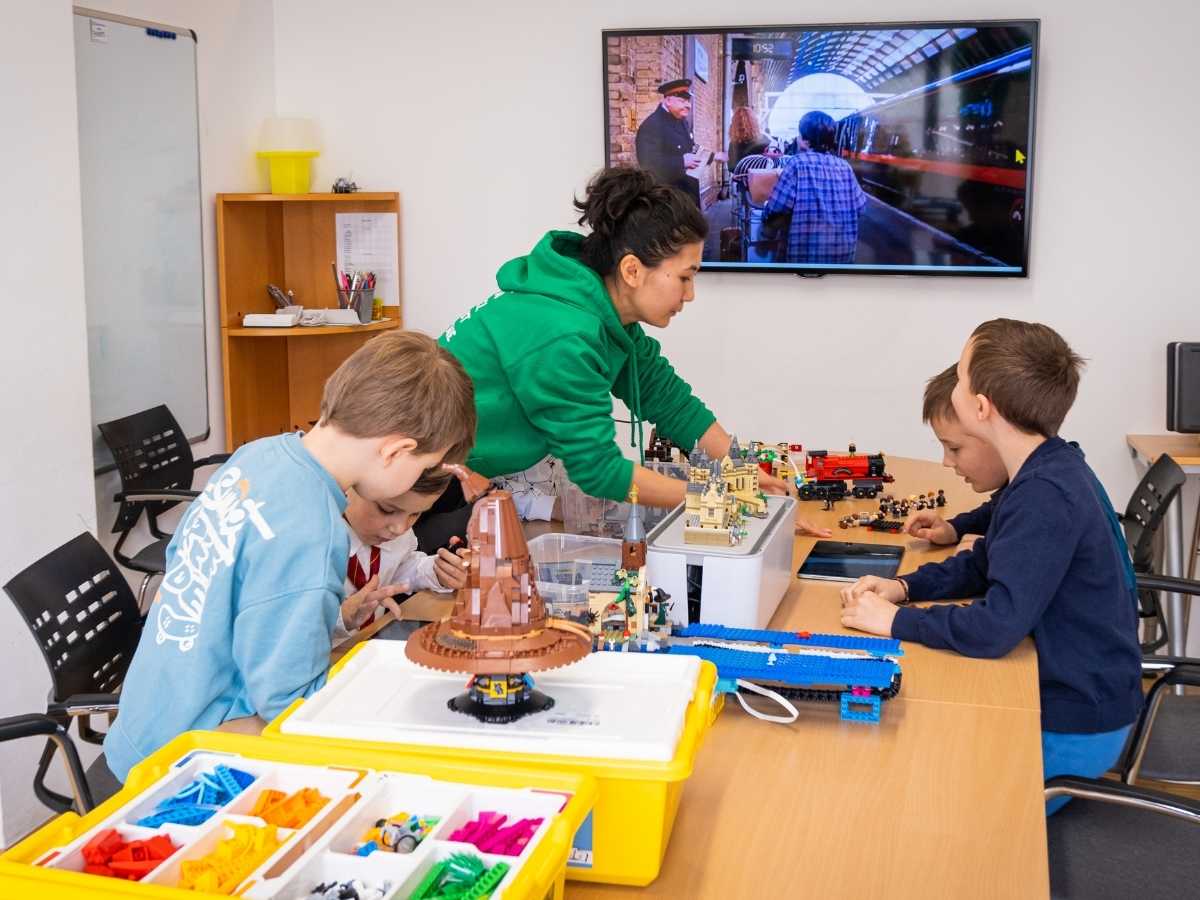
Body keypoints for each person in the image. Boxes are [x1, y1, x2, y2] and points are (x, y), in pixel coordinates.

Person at [102, 331, 476, 781]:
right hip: (186, 762)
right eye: (421, 467)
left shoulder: (256, 457)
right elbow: (289, 702)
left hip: (145, 724)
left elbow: (186, 556)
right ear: (396, 451)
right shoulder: (312, 532)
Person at [426, 167, 827, 550]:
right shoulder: (566, 332)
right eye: (685, 277)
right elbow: (599, 471)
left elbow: (669, 400)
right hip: (432, 485)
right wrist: (714, 498)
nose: (690, 295)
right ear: (633, 270)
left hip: (480, 473)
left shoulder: (602, 312)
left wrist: (745, 475)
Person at [839, 319, 1143, 814]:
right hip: (1078, 701)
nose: (954, 386)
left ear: (979, 406)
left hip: (1073, 727)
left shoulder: (1044, 494)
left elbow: (997, 627)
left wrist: (896, 622)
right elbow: (986, 563)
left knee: (932, 808)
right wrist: (903, 587)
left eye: (959, 377)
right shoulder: (1045, 471)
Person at [336, 466, 475, 643]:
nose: (399, 528)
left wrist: (438, 571)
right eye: (386, 510)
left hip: (372, 650)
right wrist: (342, 617)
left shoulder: (397, 537)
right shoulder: (310, 545)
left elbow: (401, 568)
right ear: (346, 485)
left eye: (415, 514)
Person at [902, 363, 1008, 552]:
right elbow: (995, 512)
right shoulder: (1023, 485)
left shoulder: (1043, 499)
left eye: (954, 448)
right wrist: (955, 529)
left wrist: (980, 556)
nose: (946, 462)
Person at [762, 110, 867, 264]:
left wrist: (766, 233)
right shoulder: (845, 167)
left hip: (806, 258)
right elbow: (861, 207)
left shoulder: (797, 164)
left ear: (805, 140)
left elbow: (776, 209)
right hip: (843, 258)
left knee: (773, 238)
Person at [635, 79, 725, 208]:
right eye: (682, 101)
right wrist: (681, 162)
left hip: (687, 193)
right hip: (667, 199)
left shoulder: (681, 121)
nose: (688, 105)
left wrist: (713, 156)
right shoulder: (652, 125)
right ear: (667, 100)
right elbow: (647, 163)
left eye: (688, 101)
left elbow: (690, 147)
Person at [727, 106, 769, 172]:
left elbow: (731, 168)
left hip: (743, 180)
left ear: (735, 125)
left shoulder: (733, 144)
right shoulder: (765, 139)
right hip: (763, 179)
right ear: (754, 122)